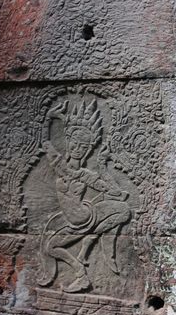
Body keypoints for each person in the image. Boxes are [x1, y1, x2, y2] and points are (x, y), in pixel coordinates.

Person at [37, 100, 131, 293]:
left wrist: (103, 165)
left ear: (89, 149)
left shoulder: (85, 175)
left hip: (85, 217)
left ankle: (89, 242)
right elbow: (45, 143)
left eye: (83, 146)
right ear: (68, 141)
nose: (78, 148)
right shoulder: (60, 165)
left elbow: (113, 191)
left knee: (124, 211)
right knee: (50, 248)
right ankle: (81, 271)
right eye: (74, 143)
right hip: (71, 221)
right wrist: (49, 118)